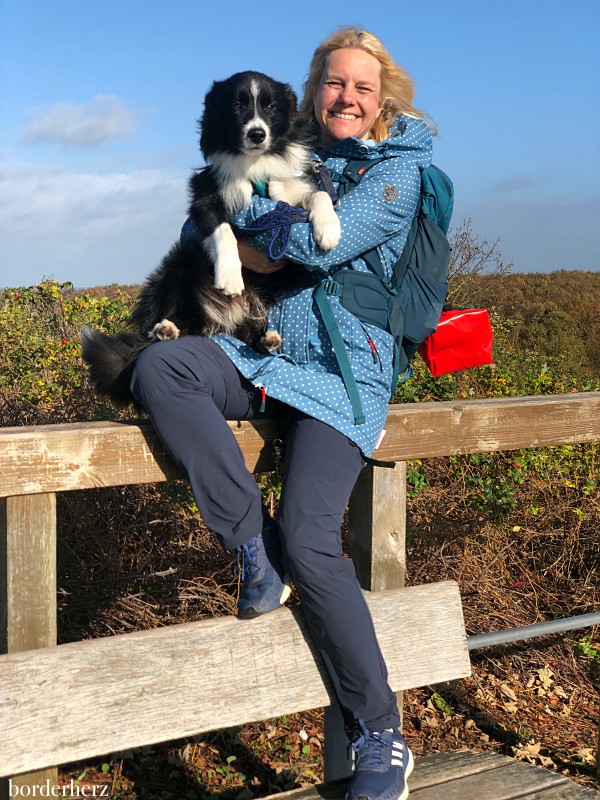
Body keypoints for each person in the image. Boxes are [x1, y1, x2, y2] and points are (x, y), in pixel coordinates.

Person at [131, 27, 435, 800]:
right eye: (335, 84)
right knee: (162, 365)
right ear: (314, 91)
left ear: (383, 99)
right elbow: (210, 228)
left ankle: (380, 734)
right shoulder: (298, 156)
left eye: (363, 88)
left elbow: (315, 246)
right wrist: (227, 218)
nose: (347, 98)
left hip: (340, 380)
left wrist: (235, 216)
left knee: (312, 536)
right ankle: (250, 551)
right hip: (265, 358)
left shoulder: (398, 178)